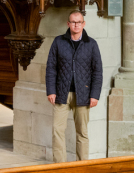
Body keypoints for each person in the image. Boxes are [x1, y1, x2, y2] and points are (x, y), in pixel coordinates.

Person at [45, 9, 103, 162]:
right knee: (57, 130)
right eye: (73, 22)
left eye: (79, 22)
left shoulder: (91, 44)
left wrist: (94, 95)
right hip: (61, 93)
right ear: (68, 24)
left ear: (83, 24)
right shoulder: (58, 42)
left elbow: (97, 72)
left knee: (82, 132)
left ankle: (81, 166)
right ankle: (60, 167)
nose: (76, 25)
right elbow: (51, 67)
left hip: (83, 95)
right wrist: (51, 90)